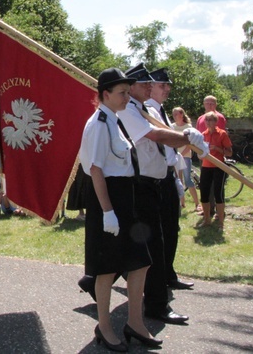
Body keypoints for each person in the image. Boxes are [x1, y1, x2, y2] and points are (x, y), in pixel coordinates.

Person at [118, 63, 207, 325]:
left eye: (150, 84)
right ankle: (156, 305)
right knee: (152, 244)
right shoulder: (129, 111)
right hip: (141, 184)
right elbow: (154, 135)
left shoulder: (143, 108)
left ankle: (150, 295)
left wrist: (183, 135)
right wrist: (184, 136)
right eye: (145, 84)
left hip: (156, 181)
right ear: (131, 86)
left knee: (154, 242)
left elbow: (163, 135)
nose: (150, 88)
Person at [79, 68, 159, 351]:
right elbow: (96, 169)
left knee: (141, 261)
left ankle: (135, 323)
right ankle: (104, 326)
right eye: (122, 92)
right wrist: (107, 211)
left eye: (128, 91)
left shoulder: (116, 120)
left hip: (126, 197)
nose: (127, 97)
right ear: (105, 95)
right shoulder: (99, 123)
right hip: (107, 199)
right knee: (106, 268)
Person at [145, 68, 194, 292]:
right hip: (154, 176)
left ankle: (168, 273)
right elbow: (161, 138)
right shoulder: (147, 111)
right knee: (159, 231)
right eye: (162, 85)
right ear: (150, 86)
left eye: (168, 86)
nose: (167, 89)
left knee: (171, 227)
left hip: (168, 173)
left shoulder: (160, 111)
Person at [198, 111, 233, 230]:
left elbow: (229, 152)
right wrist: (201, 154)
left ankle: (221, 223)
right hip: (206, 167)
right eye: (206, 120)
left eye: (210, 120)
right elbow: (199, 154)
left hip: (219, 167)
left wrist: (217, 149)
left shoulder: (222, 134)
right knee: (204, 193)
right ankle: (207, 220)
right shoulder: (203, 135)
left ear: (215, 122)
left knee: (218, 193)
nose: (208, 122)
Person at [172, 107, 200, 212]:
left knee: (188, 179)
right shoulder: (172, 126)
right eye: (173, 114)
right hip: (176, 156)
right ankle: (182, 203)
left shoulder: (188, 127)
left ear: (181, 114)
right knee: (178, 180)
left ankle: (197, 203)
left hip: (185, 156)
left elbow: (190, 143)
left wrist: (182, 154)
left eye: (176, 114)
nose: (174, 116)